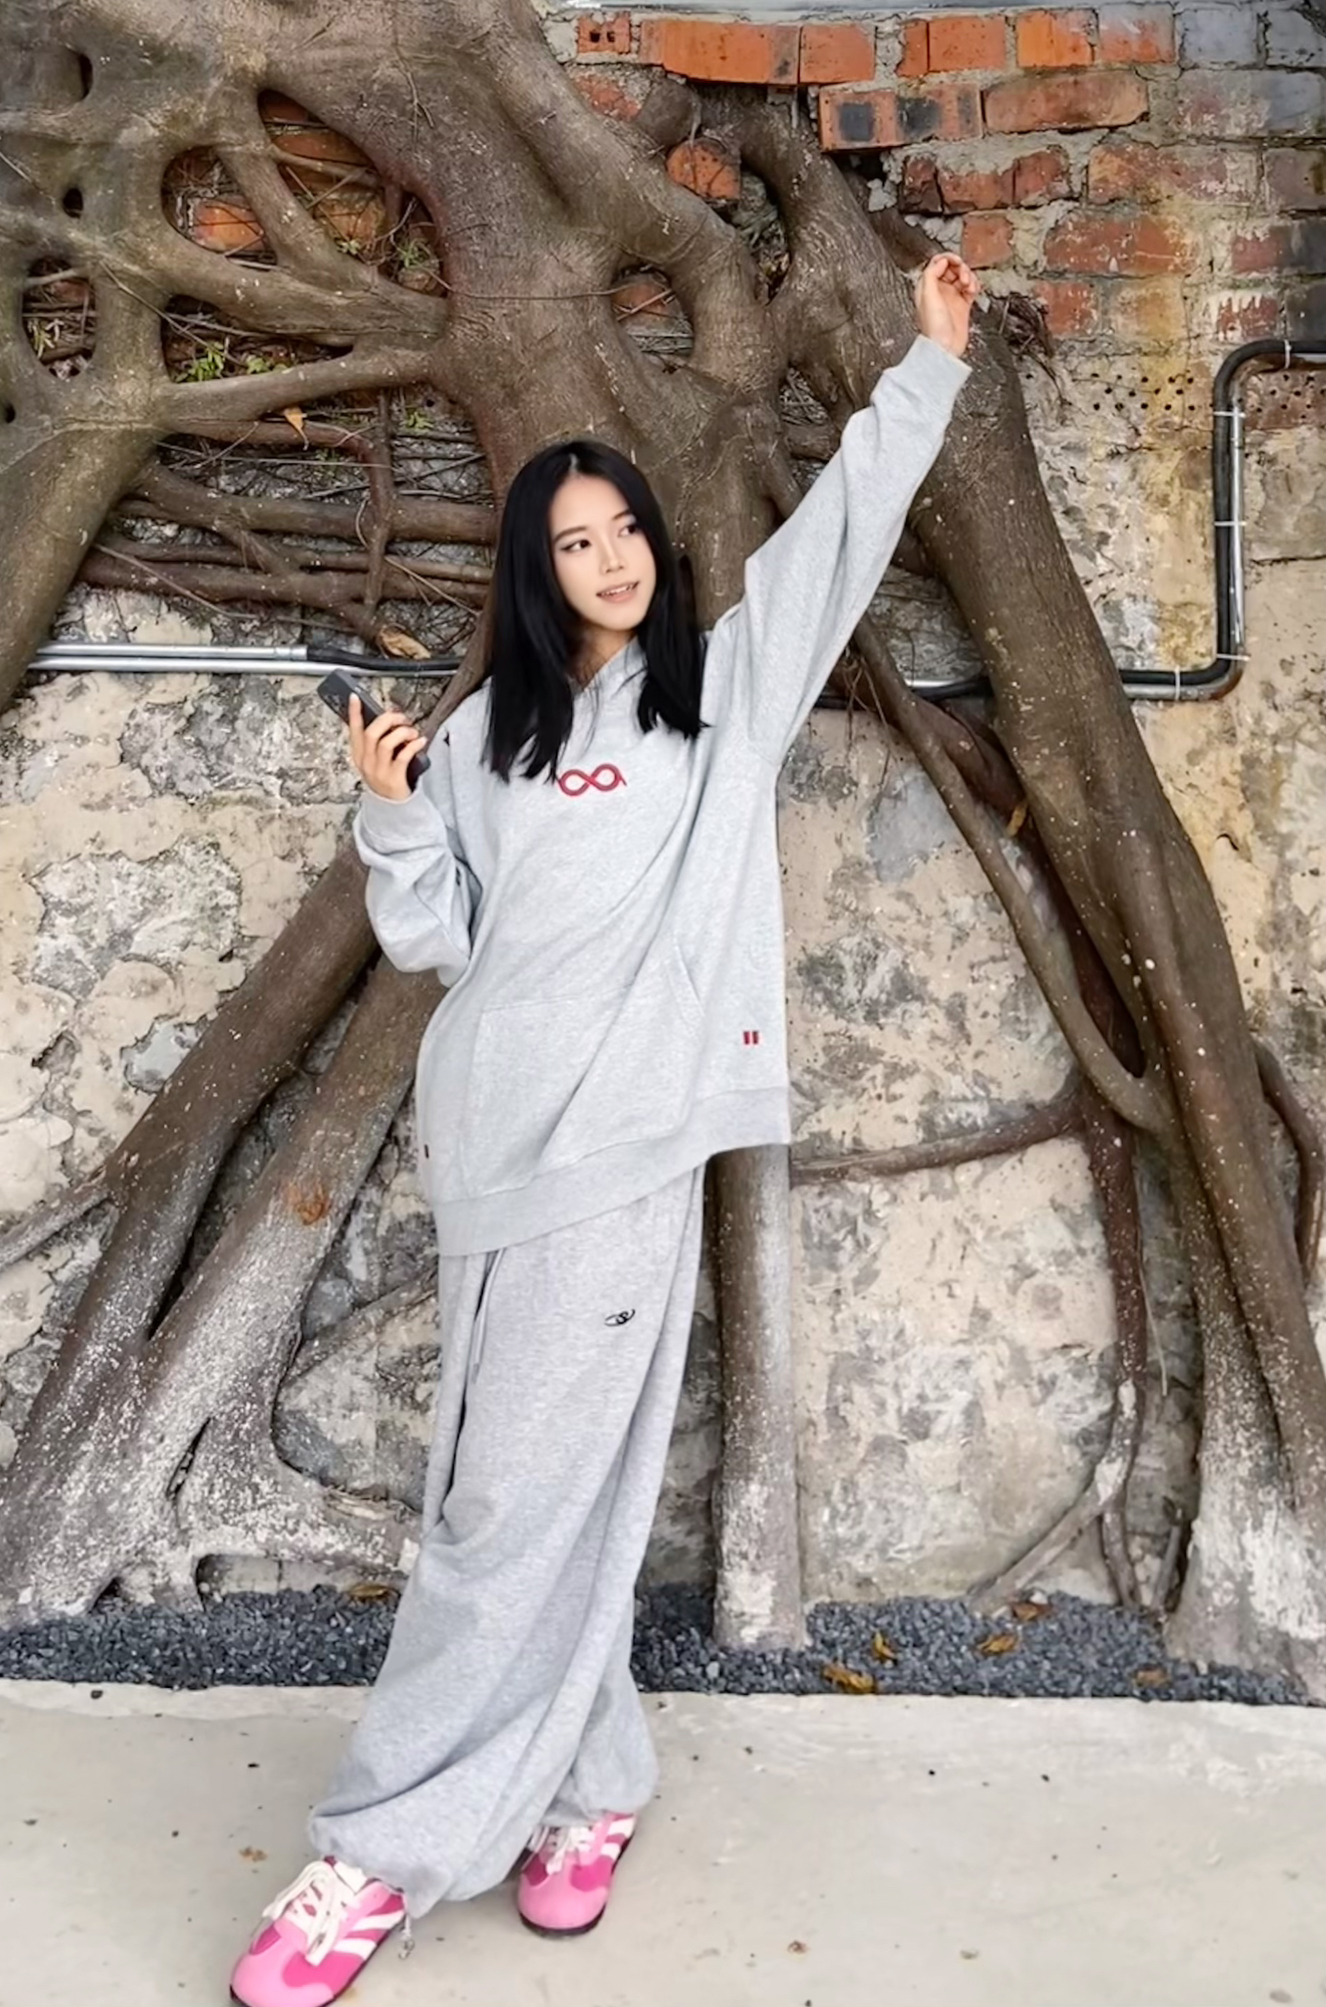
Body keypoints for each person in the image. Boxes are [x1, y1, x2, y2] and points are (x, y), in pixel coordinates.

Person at [227, 252, 978, 2007]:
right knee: (520, 1496)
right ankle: (593, 1783)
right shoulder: (486, 741)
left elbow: (841, 534)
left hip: (620, 1163)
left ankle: (375, 1854)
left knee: (498, 1512)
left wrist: (927, 366)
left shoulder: (717, 699)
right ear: (534, 568)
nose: (612, 558)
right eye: (574, 542)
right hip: (485, 1161)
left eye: (624, 528)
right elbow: (437, 944)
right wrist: (390, 815)